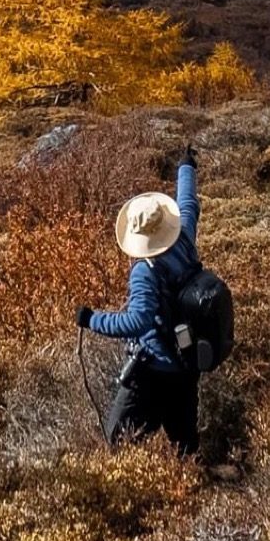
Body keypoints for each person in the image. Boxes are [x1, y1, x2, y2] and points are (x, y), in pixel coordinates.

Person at [76, 147, 202, 454]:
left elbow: (137, 321)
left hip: (153, 370)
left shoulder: (145, 271)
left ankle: (136, 491)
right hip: (187, 363)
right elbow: (187, 203)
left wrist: (91, 318)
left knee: (117, 443)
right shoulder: (184, 236)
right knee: (184, 446)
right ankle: (194, 491)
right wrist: (186, 167)